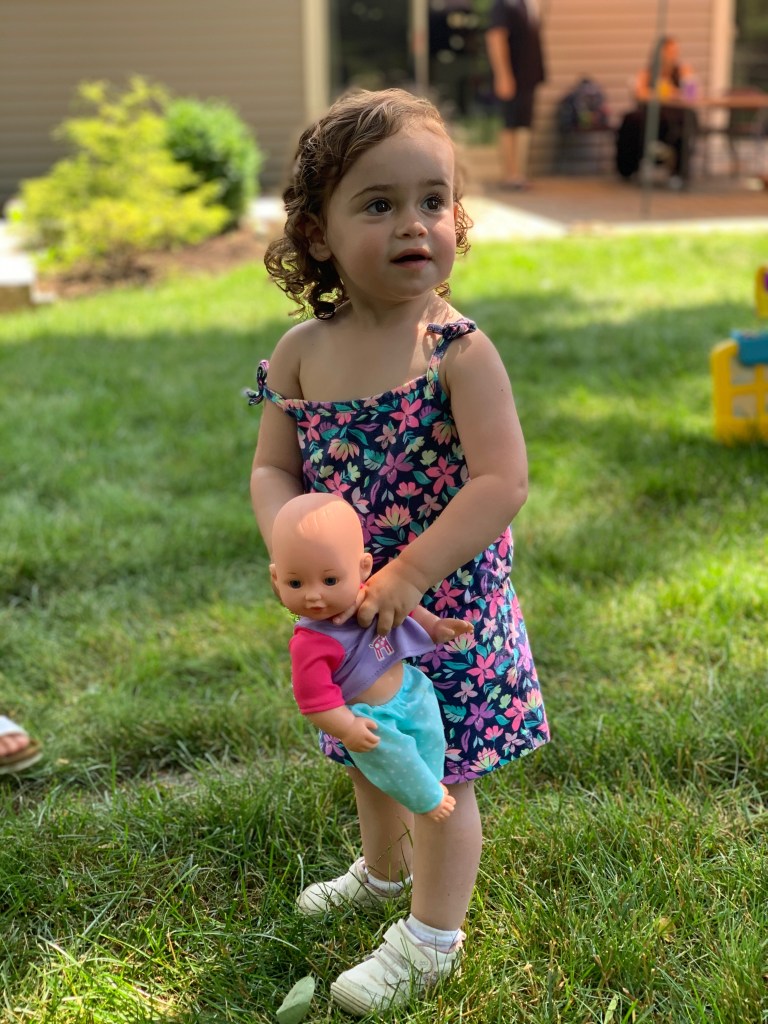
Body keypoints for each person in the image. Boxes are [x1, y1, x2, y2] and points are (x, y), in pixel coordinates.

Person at [248, 87, 549, 1016]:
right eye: (378, 204)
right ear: (318, 234)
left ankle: (430, 940)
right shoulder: (301, 354)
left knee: (439, 775)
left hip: (443, 609)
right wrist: (290, 539)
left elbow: (501, 480)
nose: (414, 223)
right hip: (349, 612)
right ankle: (382, 874)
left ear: (457, 219)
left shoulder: (457, 351)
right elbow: (273, 467)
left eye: (433, 200)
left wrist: (411, 569)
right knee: (368, 749)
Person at [270, 492, 473, 824]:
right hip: (372, 717)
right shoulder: (310, 643)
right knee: (393, 757)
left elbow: (405, 610)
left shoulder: (369, 597)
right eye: (295, 582)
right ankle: (427, 798)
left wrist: (434, 627)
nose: (313, 595)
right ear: (276, 579)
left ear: (363, 568)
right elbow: (314, 701)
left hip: (411, 689)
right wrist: (347, 727)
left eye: (330, 580)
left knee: (431, 736)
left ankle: (432, 778)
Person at [616, 36, 699, 187]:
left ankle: (678, 172)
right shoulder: (647, 73)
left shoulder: (683, 71)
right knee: (631, 120)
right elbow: (639, 92)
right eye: (668, 51)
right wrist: (657, 93)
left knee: (684, 124)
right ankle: (628, 168)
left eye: (674, 51)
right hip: (653, 114)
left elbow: (692, 95)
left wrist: (673, 92)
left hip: (676, 113)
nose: (671, 55)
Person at [485, 0, 546, 190]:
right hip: (513, 77)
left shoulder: (529, 5)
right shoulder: (503, 5)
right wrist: (503, 75)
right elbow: (496, 37)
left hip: (528, 77)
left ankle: (519, 172)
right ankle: (510, 174)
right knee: (510, 124)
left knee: (522, 124)